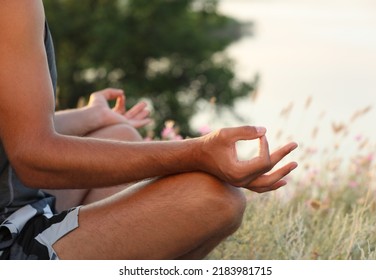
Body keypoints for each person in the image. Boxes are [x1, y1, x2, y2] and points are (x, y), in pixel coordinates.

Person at [0, 0, 298, 260]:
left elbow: (13, 134)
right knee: (216, 199)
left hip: (19, 205)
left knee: (119, 134)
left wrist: (90, 116)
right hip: (9, 239)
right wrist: (198, 153)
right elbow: (32, 159)